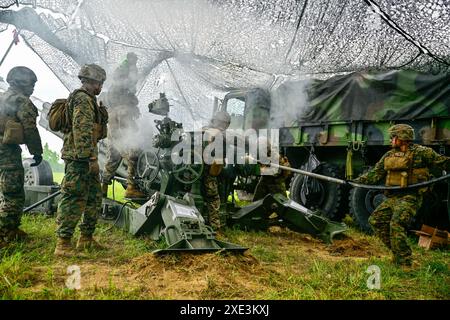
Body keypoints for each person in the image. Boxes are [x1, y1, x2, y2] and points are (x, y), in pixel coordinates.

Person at [353, 124, 450, 267]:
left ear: (403, 138)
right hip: (393, 197)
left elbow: (443, 162)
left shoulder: (422, 153)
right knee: (376, 221)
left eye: (394, 137)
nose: (391, 140)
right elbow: (374, 175)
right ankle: (398, 253)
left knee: (396, 223)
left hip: (411, 197)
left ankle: (406, 262)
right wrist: (353, 182)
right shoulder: (389, 155)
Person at [54, 64, 108, 257]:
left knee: (94, 197)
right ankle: (63, 243)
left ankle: (86, 238)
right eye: (100, 82)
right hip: (79, 159)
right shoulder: (82, 99)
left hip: (85, 157)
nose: (101, 87)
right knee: (74, 197)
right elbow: (82, 130)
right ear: (94, 81)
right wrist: (90, 158)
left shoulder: (90, 100)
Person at [0, 66, 43, 248]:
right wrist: (37, 152)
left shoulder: (2, 97)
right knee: (14, 194)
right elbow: (30, 129)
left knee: (5, 191)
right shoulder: (22, 102)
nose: (33, 88)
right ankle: (4, 234)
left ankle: (11, 230)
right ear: (21, 83)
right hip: (7, 152)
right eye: (31, 84)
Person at [101, 52, 145, 199]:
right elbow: (128, 129)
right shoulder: (123, 89)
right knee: (134, 153)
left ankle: (102, 188)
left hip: (114, 125)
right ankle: (131, 188)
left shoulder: (116, 92)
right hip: (120, 121)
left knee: (113, 158)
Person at [201, 111, 231, 231]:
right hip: (208, 172)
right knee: (213, 198)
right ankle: (215, 227)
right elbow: (217, 161)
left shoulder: (203, 130)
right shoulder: (219, 135)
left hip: (193, 172)